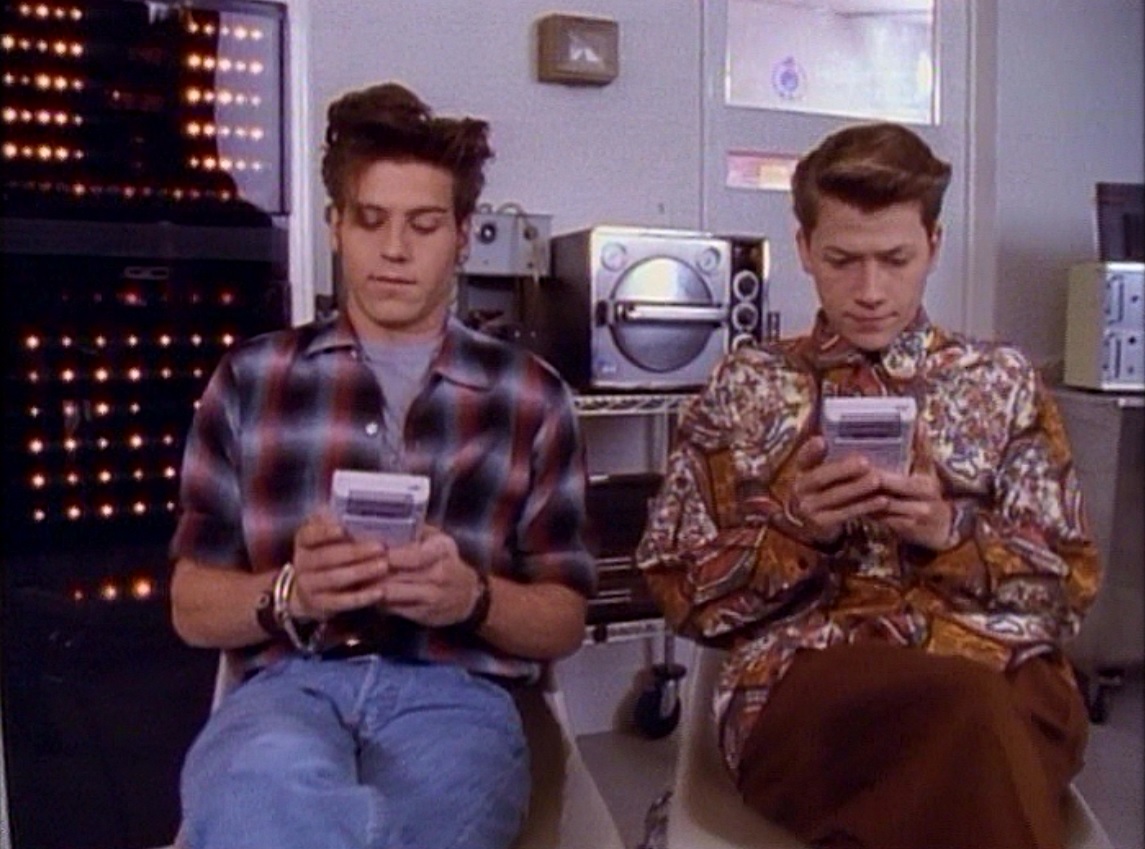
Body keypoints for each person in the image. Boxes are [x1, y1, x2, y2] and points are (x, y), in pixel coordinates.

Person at [636, 122, 1101, 849]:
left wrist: (950, 534)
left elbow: (1069, 589)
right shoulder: (746, 385)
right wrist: (795, 533)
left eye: (895, 259)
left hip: (1005, 665)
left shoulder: (1001, 382)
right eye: (842, 261)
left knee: (978, 716)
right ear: (803, 249)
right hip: (813, 683)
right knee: (972, 721)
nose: (870, 292)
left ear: (933, 246)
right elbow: (678, 595)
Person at [168, 81, 595, 849]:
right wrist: (291, 592)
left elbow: (563, 618)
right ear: (336, 226)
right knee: (260, 797)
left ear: (461, 235)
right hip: (288, 690)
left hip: (459, 695)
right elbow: (191, 607)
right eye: (370, 221)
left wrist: (471, 597)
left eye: (423, 225)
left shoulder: (531, 396)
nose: (394, 250)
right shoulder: (251, 379)